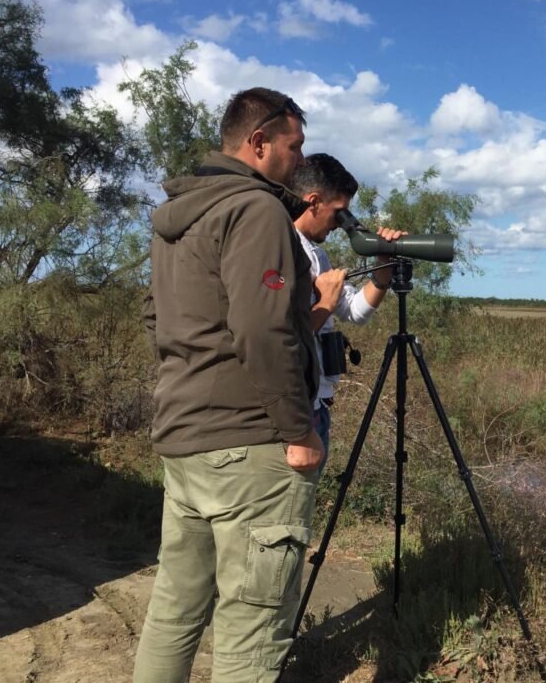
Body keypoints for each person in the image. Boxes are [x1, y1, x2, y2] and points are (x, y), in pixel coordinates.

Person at [135, 87, 331, 683]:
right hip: (250, 445)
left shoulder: (179, 215)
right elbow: (262, 329)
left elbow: (155, 314)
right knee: (253, 630)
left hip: (184, 437)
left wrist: (193, 376)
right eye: (294, 146)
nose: (299, 158)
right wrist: (298, 429)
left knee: (175, 609)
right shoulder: (256, 210)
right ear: (259, 142)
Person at [289, 153, 405, 469]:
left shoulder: (317, 255)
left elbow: (357, 311)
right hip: (297, 412)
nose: (342, 224)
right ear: (312, 201)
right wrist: (324, 305)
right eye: (338, 212)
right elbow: (281, 334)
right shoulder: (284, 248)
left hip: (318, 405)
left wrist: (382, 269)